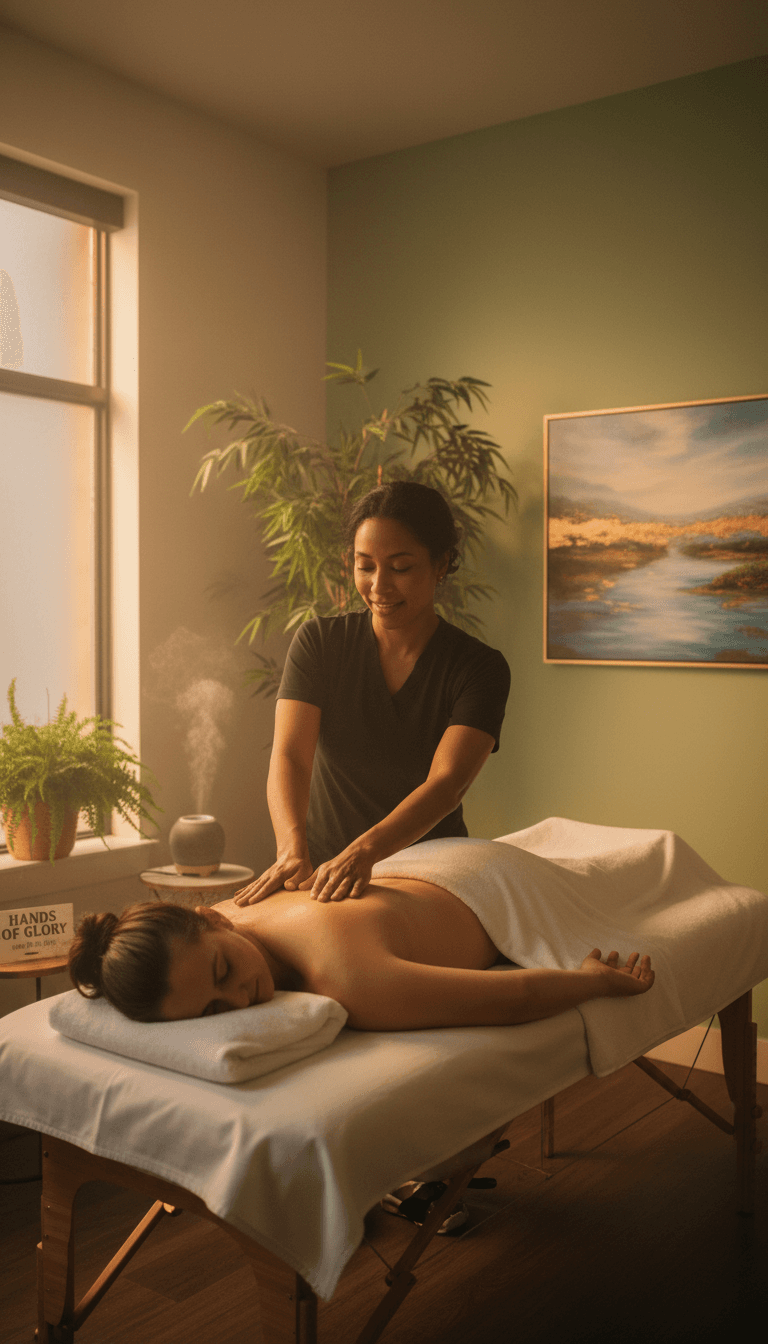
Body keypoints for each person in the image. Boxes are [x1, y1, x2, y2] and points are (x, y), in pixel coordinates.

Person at [235, 480, 512, 907]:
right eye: (366, 566)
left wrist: (364, 853)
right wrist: (292, 850)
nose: (379, 586)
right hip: (323, 870)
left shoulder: (479, 668)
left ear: (441, 564)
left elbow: (447, 784)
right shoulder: (320, 644)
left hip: (429, 874)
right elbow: (290, 755)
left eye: (400, 567)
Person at [68, 868, 654, 1028]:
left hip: (497, 885)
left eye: (223, 971)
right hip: (426, 873)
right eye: (214, 1012)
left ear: (209, 916)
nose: (239, 997)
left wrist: (595, 980)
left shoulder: (344, 975)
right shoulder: (234, 915)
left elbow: (513, 997)